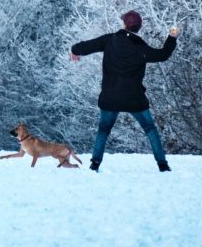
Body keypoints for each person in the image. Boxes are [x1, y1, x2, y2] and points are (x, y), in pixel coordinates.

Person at [70, 10, 178, 172]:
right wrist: (172, 37)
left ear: (124, 24)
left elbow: (85, 47)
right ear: (138, 27)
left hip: (110, 98)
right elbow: (162, 54)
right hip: (134, 99)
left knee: (103, 130)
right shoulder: (141, 48)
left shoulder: (109, 40)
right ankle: (162, 165)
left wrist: (74, 50)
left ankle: (95, 164)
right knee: (150, 129)